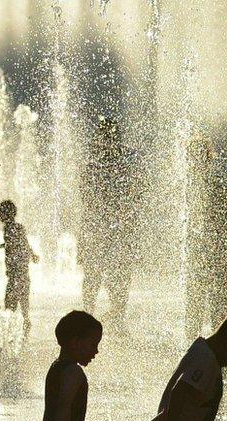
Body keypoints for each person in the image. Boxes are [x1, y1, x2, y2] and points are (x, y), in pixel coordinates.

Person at [78, 117, 142, 333]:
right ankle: (92, 317)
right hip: (102, 229)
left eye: (109, 137)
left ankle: (112, 317)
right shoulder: (96, 165)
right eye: (105, 137)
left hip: (111, 230)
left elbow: (135, 195)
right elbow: (86, 198)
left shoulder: (103, 165)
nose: (106, 141)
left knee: (113, 276)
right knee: (99, 275)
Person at [185, 134, 227, 339]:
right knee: (201, 296)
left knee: (214, 297)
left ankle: (215, 340)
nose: (195, 161)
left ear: (208, 158)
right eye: (192, 156)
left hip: (216, 249)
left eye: (199, 156)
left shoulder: (216, 185)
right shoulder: (190, 185)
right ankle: (195, 339)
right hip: (204, 249)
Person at [0, 200, 39, 332]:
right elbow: (20, 244)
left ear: (5, 214)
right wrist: (32, 255)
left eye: (1, 213)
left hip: (16, 271)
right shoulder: (17, 227)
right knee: (22, 300)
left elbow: (17, 245)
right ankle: (24, 325)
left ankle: (14, 331)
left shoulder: (10, 228)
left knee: (10, 302)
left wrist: (29, 256)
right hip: (20, 271)